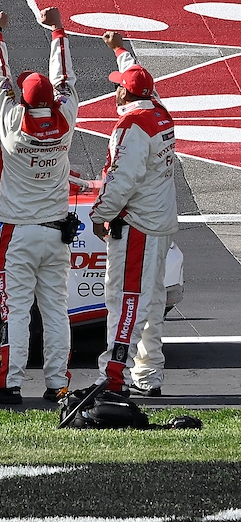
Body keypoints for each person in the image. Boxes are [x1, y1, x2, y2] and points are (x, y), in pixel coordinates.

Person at [0, 7, 78, 405]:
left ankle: (10, 385)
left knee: (15, 312)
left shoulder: (12, 122)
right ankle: (58, 386)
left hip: (18, 233)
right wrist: (58, 31)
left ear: (22, 98)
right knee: (56, 311)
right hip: (56, 232)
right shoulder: (66, 117)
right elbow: (66, 79)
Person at [87, 32, 177, 398]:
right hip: (160, 222)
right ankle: (148, 374)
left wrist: (99, 214)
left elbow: (121, 179)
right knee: (151, 301)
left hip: (137, 226)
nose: (115, 91)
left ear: (125, 94)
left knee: (126, 302)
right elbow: (141, 80)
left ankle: (113, 376)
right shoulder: (159, 111)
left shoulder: (131, 126)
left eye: (118, 87)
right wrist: (120, 50)